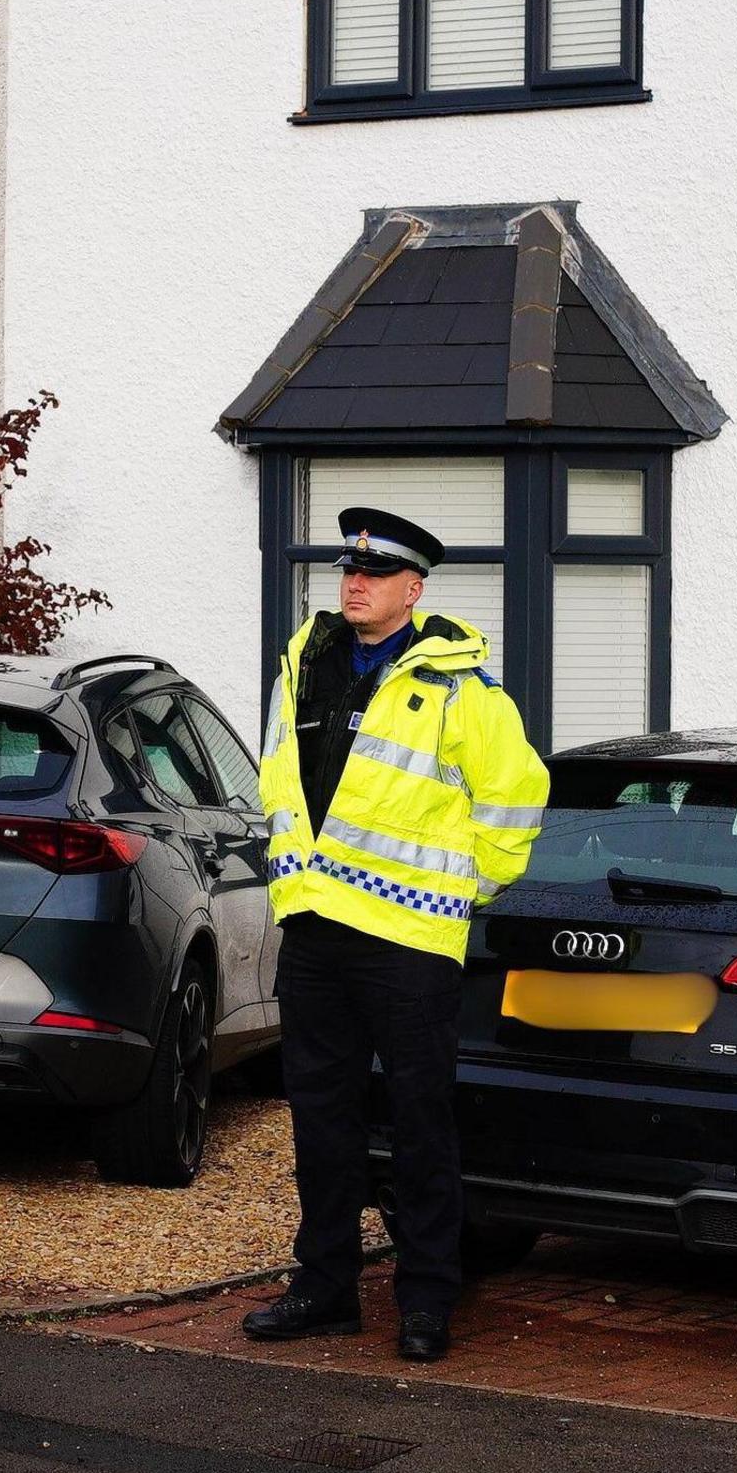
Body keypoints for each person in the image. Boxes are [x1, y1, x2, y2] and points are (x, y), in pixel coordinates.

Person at [240, 506, 548, 1363]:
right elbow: (277, 772)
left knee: (420, 1125)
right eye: (349, 571)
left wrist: (465, 884)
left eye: (374, 575)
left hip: (410, 943)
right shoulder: (306, 662)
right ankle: (325, 1287)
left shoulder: (459, 687)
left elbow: (517, 798)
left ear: (414, 590)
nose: (355, 583)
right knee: (320, 1121)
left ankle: (426, 1300)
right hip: (316, 930)